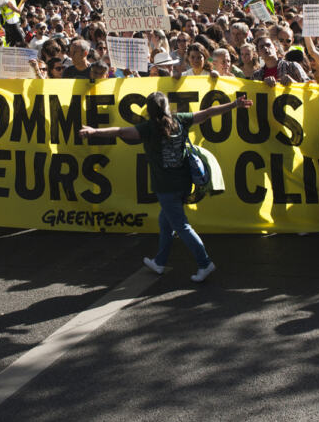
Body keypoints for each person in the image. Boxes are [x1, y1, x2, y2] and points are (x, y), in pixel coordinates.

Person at [78, 92, 253, 282]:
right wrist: (234, 104)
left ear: (149, 110)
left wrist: (94, 132)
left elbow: (121, 132)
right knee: (165, 222)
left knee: (182, 226)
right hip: (185, 183)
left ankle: (205, 263)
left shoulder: (149, 128)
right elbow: (209, 113)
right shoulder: (180, 120)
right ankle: (159, 262)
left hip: (166, 187)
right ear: (167, 107)